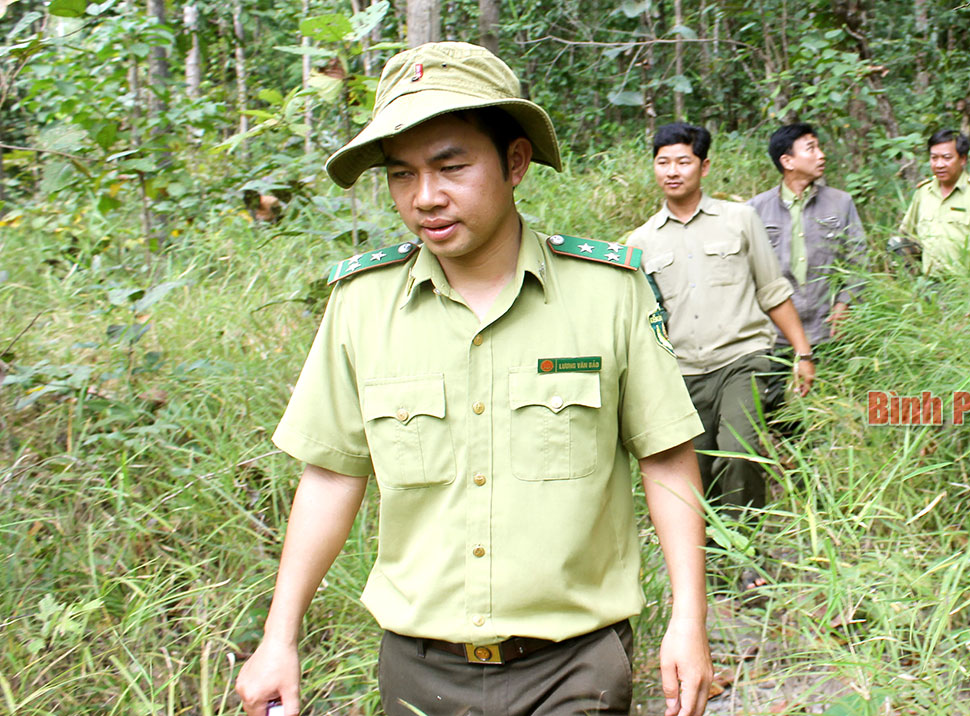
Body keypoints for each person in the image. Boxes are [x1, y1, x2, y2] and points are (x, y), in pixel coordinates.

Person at [234, 42, 712, 716]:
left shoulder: (609, 294)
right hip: (419, 666)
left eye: (451, 166)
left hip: (573, 664)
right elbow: (332, 474)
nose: (425, 197)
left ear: (514, 161)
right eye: (401, 174)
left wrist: (688, 621)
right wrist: (278, 637)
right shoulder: (362, 305)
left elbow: (666, 459)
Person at [626, 122, 815, 513]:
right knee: (694, 473)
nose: (672, 171)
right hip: (683, 374)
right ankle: (711, 559)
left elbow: (772, 290)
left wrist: (803, 353)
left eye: (683, 161)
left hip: (742, 361)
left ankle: (746, 554)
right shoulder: (640, 242)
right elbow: (641, 320)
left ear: (704, 166)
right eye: (663, 163)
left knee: (737, 453)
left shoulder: (739, 220)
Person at [747, 123, 867, 346]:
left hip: (829, 331)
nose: (821, 155)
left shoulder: (841, 203)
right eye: (811, 149)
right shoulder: (755, 209)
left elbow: (858, 259)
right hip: (774, 335)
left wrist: (844, 304)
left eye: (819, 147)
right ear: (787, 161)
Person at [898, 129, 970, 278]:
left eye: (947, 158)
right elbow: (907, 234)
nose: (939, 164)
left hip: (965, 283)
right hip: (928, 283)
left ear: (962, 159)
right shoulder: (923, 192)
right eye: (934, 158)